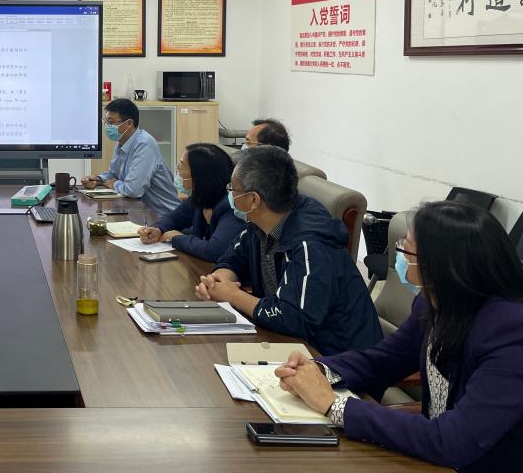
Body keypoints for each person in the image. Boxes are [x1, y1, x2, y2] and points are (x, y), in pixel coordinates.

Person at [275, 202, 523, 472]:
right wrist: (319, 371)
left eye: (406, 248)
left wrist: (336, 406)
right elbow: (382, 361)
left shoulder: (511, 332)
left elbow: (454, 440)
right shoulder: (433, 303)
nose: (400, 256)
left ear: (440, 265)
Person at [195, 145, 381, 355]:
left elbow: (294, 317)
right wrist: (219, 280)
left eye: (233, 189)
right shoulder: (262, 220)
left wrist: (233, 295)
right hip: (291, 344)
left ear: (253, 199)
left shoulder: (311, 244)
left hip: (337, 356)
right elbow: (234, 257)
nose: (229, 194)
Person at [137, 143, 242, 262]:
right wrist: (158, 230)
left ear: (199, 176)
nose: (178, 169)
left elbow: (213, 251)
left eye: (181, 165)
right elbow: (174, 218)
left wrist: (176, 238)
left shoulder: (232, 206)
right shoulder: (199, 198)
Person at [79, 99, 181, 219]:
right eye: (106, 121)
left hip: (164, 216)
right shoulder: (121, 142)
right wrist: (98, 179)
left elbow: (133, 190)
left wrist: (114, 183)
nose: (107, 126)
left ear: (129, 123)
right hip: (140, 211)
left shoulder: (144, 144)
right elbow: (113, 175)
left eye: (111, 122)